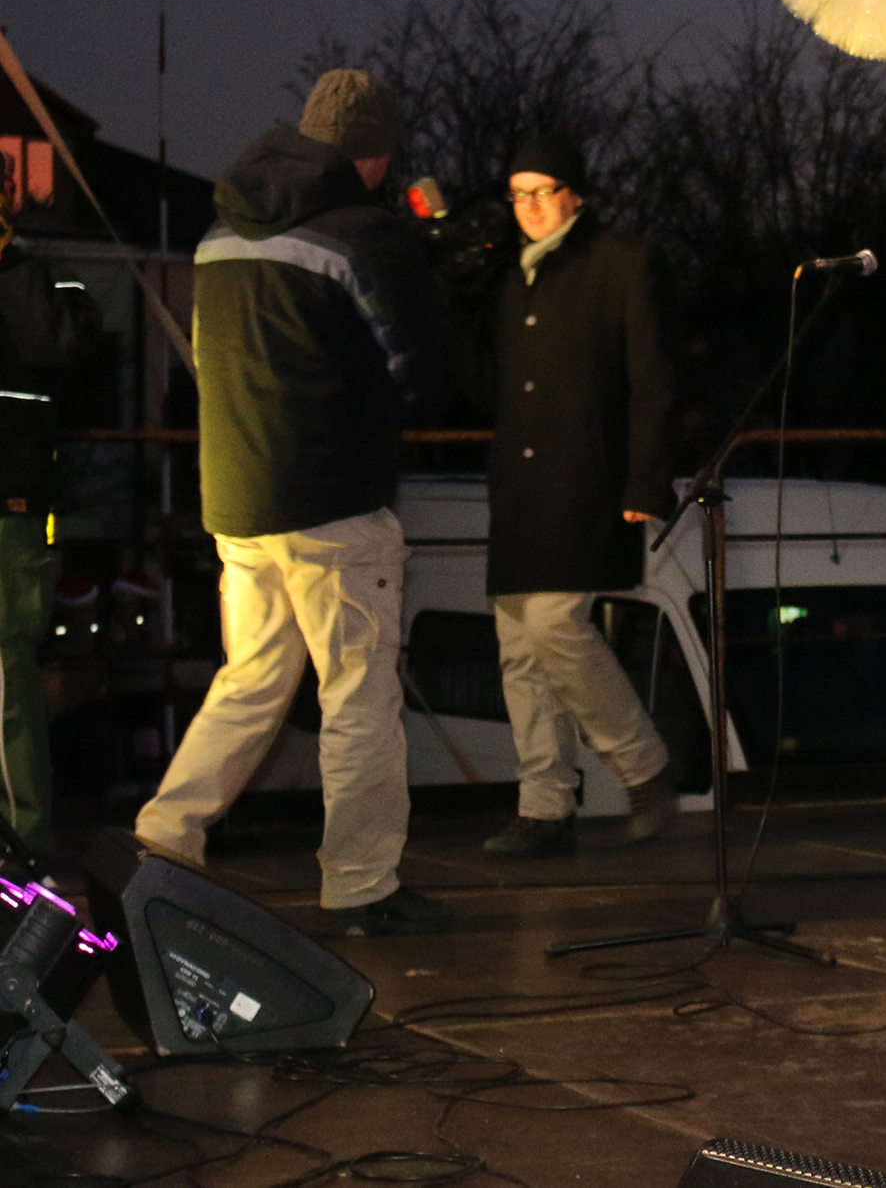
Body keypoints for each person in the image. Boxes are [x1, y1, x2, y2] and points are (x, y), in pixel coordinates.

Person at [137, 69, 452, 935]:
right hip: (333, 501)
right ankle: (361, 884)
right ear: (375, 153)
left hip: (240, 500)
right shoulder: (363, 234)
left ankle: (164, 837)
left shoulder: (221, 233)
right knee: (359, 697)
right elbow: (423, 373)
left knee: (251, 679)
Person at [476, 136, 678, 859]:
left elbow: (654, 378)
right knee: (518, 643)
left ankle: (644, 767)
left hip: (587, 476)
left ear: (575, 194)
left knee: (557, 623)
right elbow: (484, 378)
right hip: (520, 482)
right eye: (518, 193)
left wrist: (647, 478)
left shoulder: (621, 262)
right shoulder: (509, 276)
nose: (529, 206)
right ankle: (543, 805)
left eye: (542, 190)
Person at [0, 200, 99, 861]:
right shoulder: (29, 275)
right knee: (5, 682)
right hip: (11, 511)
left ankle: (19, 846)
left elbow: (65, 342)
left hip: (9, 511)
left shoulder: (29, 274)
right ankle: (20, 843)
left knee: (6, 679)